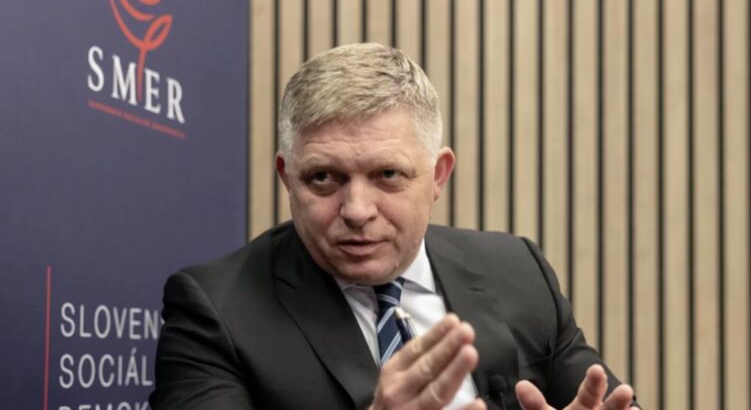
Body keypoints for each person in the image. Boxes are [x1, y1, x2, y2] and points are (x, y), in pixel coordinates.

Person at [149, 43, 638, 410]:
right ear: (287, 177)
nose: (357, 210)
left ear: (438, 176)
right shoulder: (215, 312)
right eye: (324, 178)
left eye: (387, 175)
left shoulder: (518, 269)